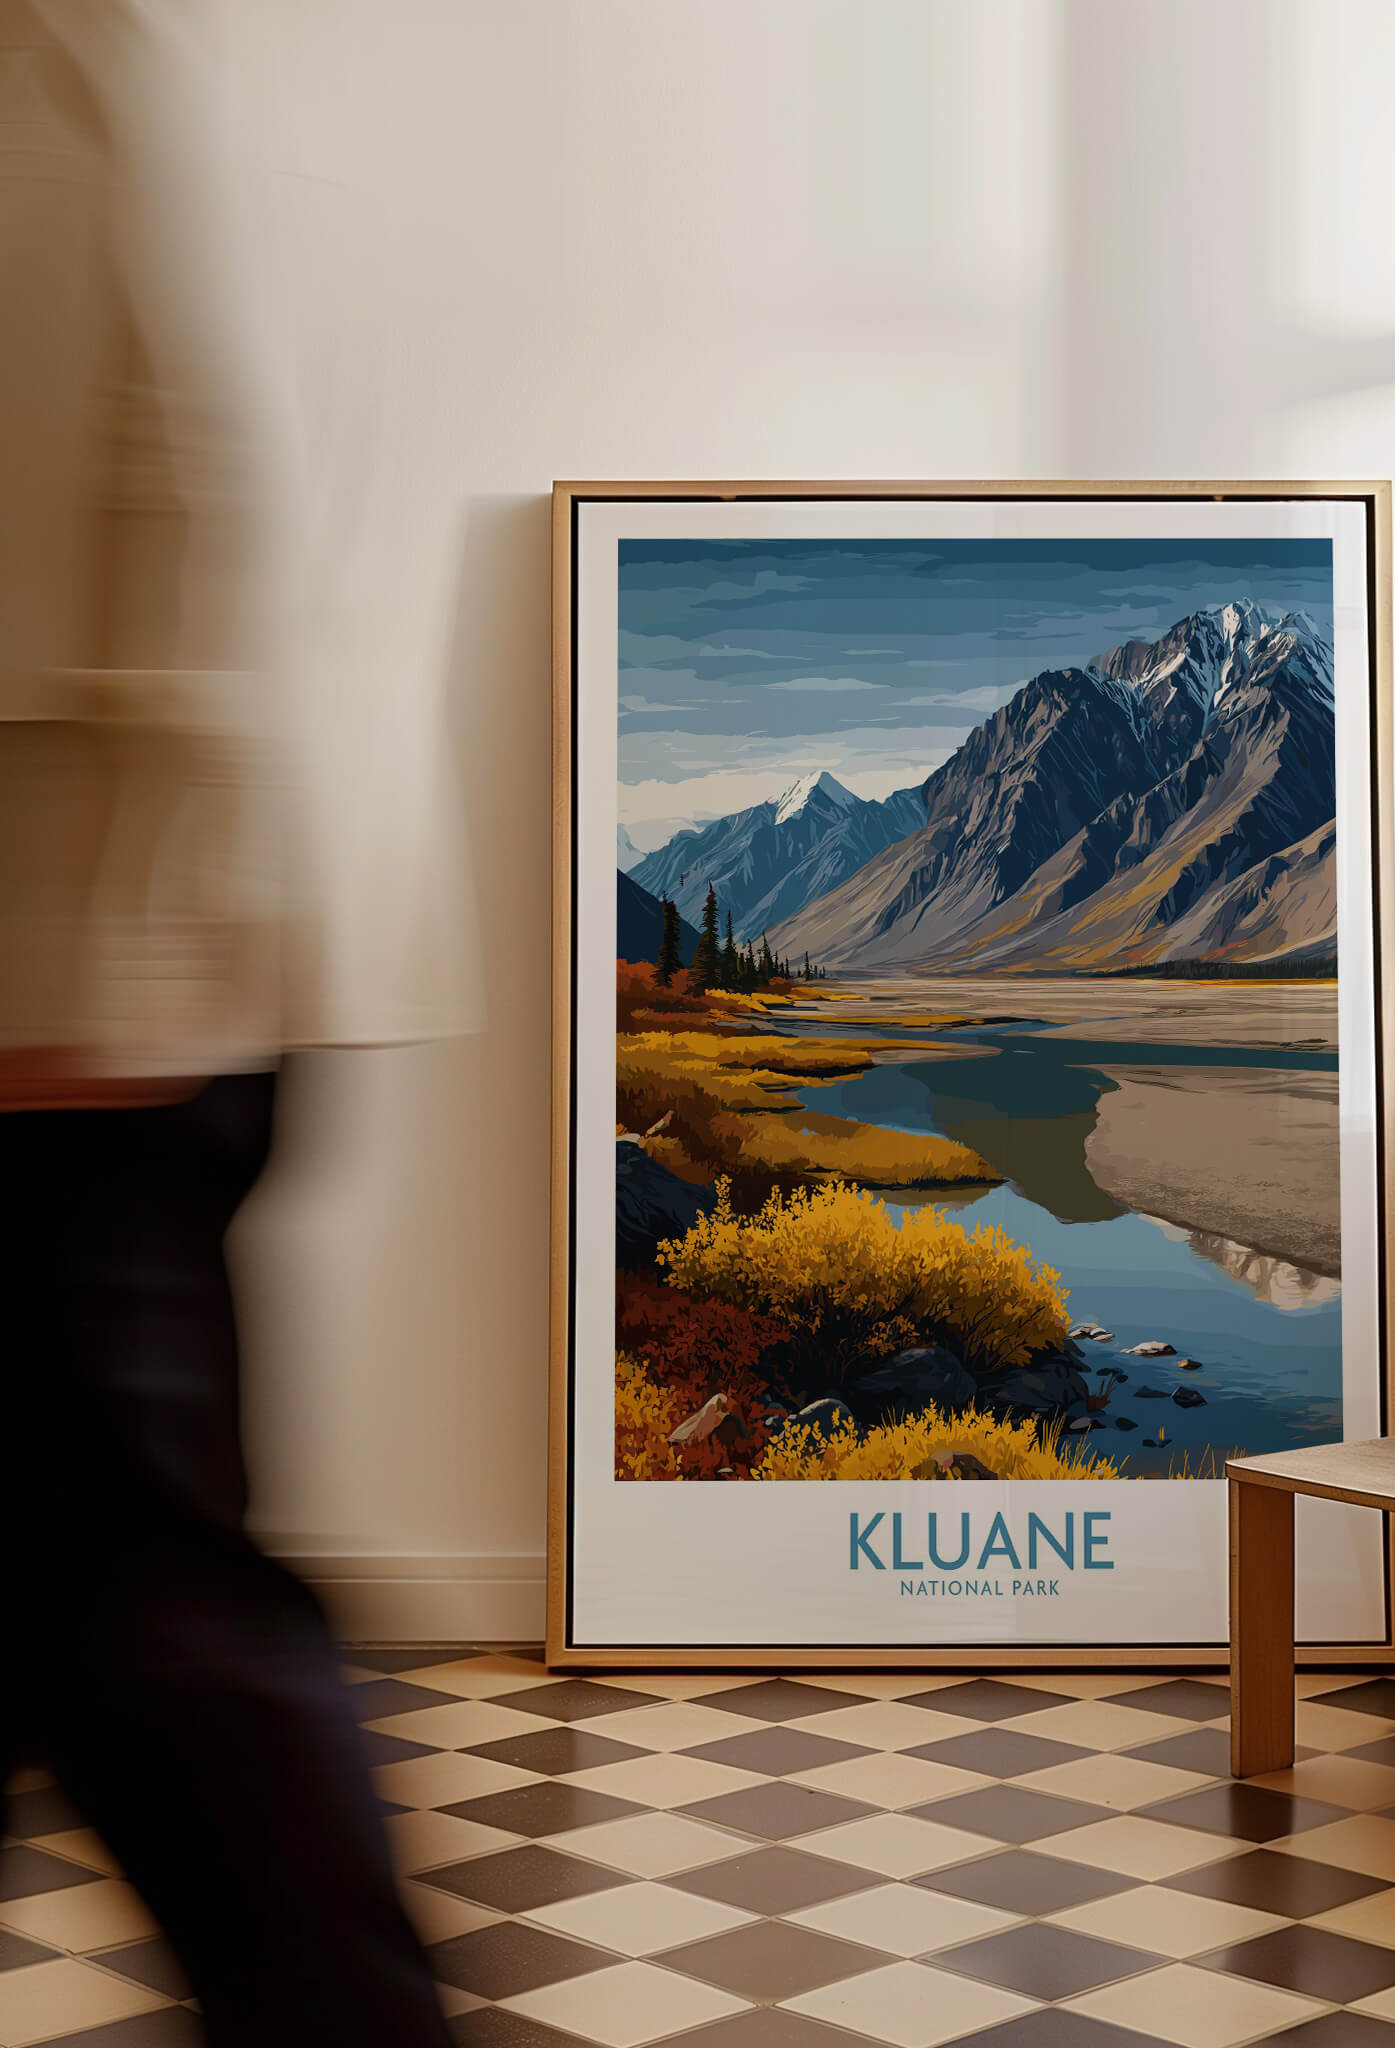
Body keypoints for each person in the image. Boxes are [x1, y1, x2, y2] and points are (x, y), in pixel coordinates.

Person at [0, 5, 463, 2039]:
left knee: (151, 1612)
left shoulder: (82, 48)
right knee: (117, 1585)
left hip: (83, 958)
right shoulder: (228, 64)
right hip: (146, 938)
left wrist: (121, 947)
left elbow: (209, 463)